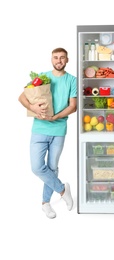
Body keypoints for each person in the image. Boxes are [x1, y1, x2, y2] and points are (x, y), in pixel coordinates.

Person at [18, 47, 77, 219]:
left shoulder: (72, 80)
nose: (59, 60)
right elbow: (22, 96)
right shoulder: (42, 77)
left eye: (62, 58)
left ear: (67, 60)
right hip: (39, 129)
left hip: (59, 130)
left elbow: (73, 106)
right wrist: (31, 107)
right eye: (56, 58)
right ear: (51, 59)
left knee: (52, 167)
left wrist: (56, 117)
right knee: (37, 167)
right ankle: (63, 190)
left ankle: (45, 203)